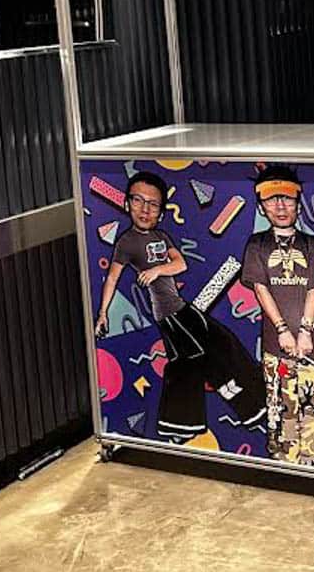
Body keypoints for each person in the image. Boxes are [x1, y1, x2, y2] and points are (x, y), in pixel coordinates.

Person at [95, 171, 265, 442]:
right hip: (169, 314)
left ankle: (251, 404)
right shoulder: (127, 242)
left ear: (161, 212)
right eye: (138, 200)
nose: (145, 209)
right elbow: (113, 278)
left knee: (218, 344)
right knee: (192, 358)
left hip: (180, 308)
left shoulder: (162, 236)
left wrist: (157, 270)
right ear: (127, 204)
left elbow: (181, 264)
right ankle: (189, 420)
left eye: (153, 204)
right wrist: (103, 313)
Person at [241, 163, 314, 469]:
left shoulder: (312, 245)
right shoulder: (256, 245)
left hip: (310, 350)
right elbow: (261, 289)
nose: (280, 206)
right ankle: (285, 471)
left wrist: (305, 332)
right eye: (272, 200)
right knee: (281, 414)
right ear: (261, 206)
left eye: (287, 198)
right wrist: (282, 329)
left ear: (298, 202)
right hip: (275, 349)